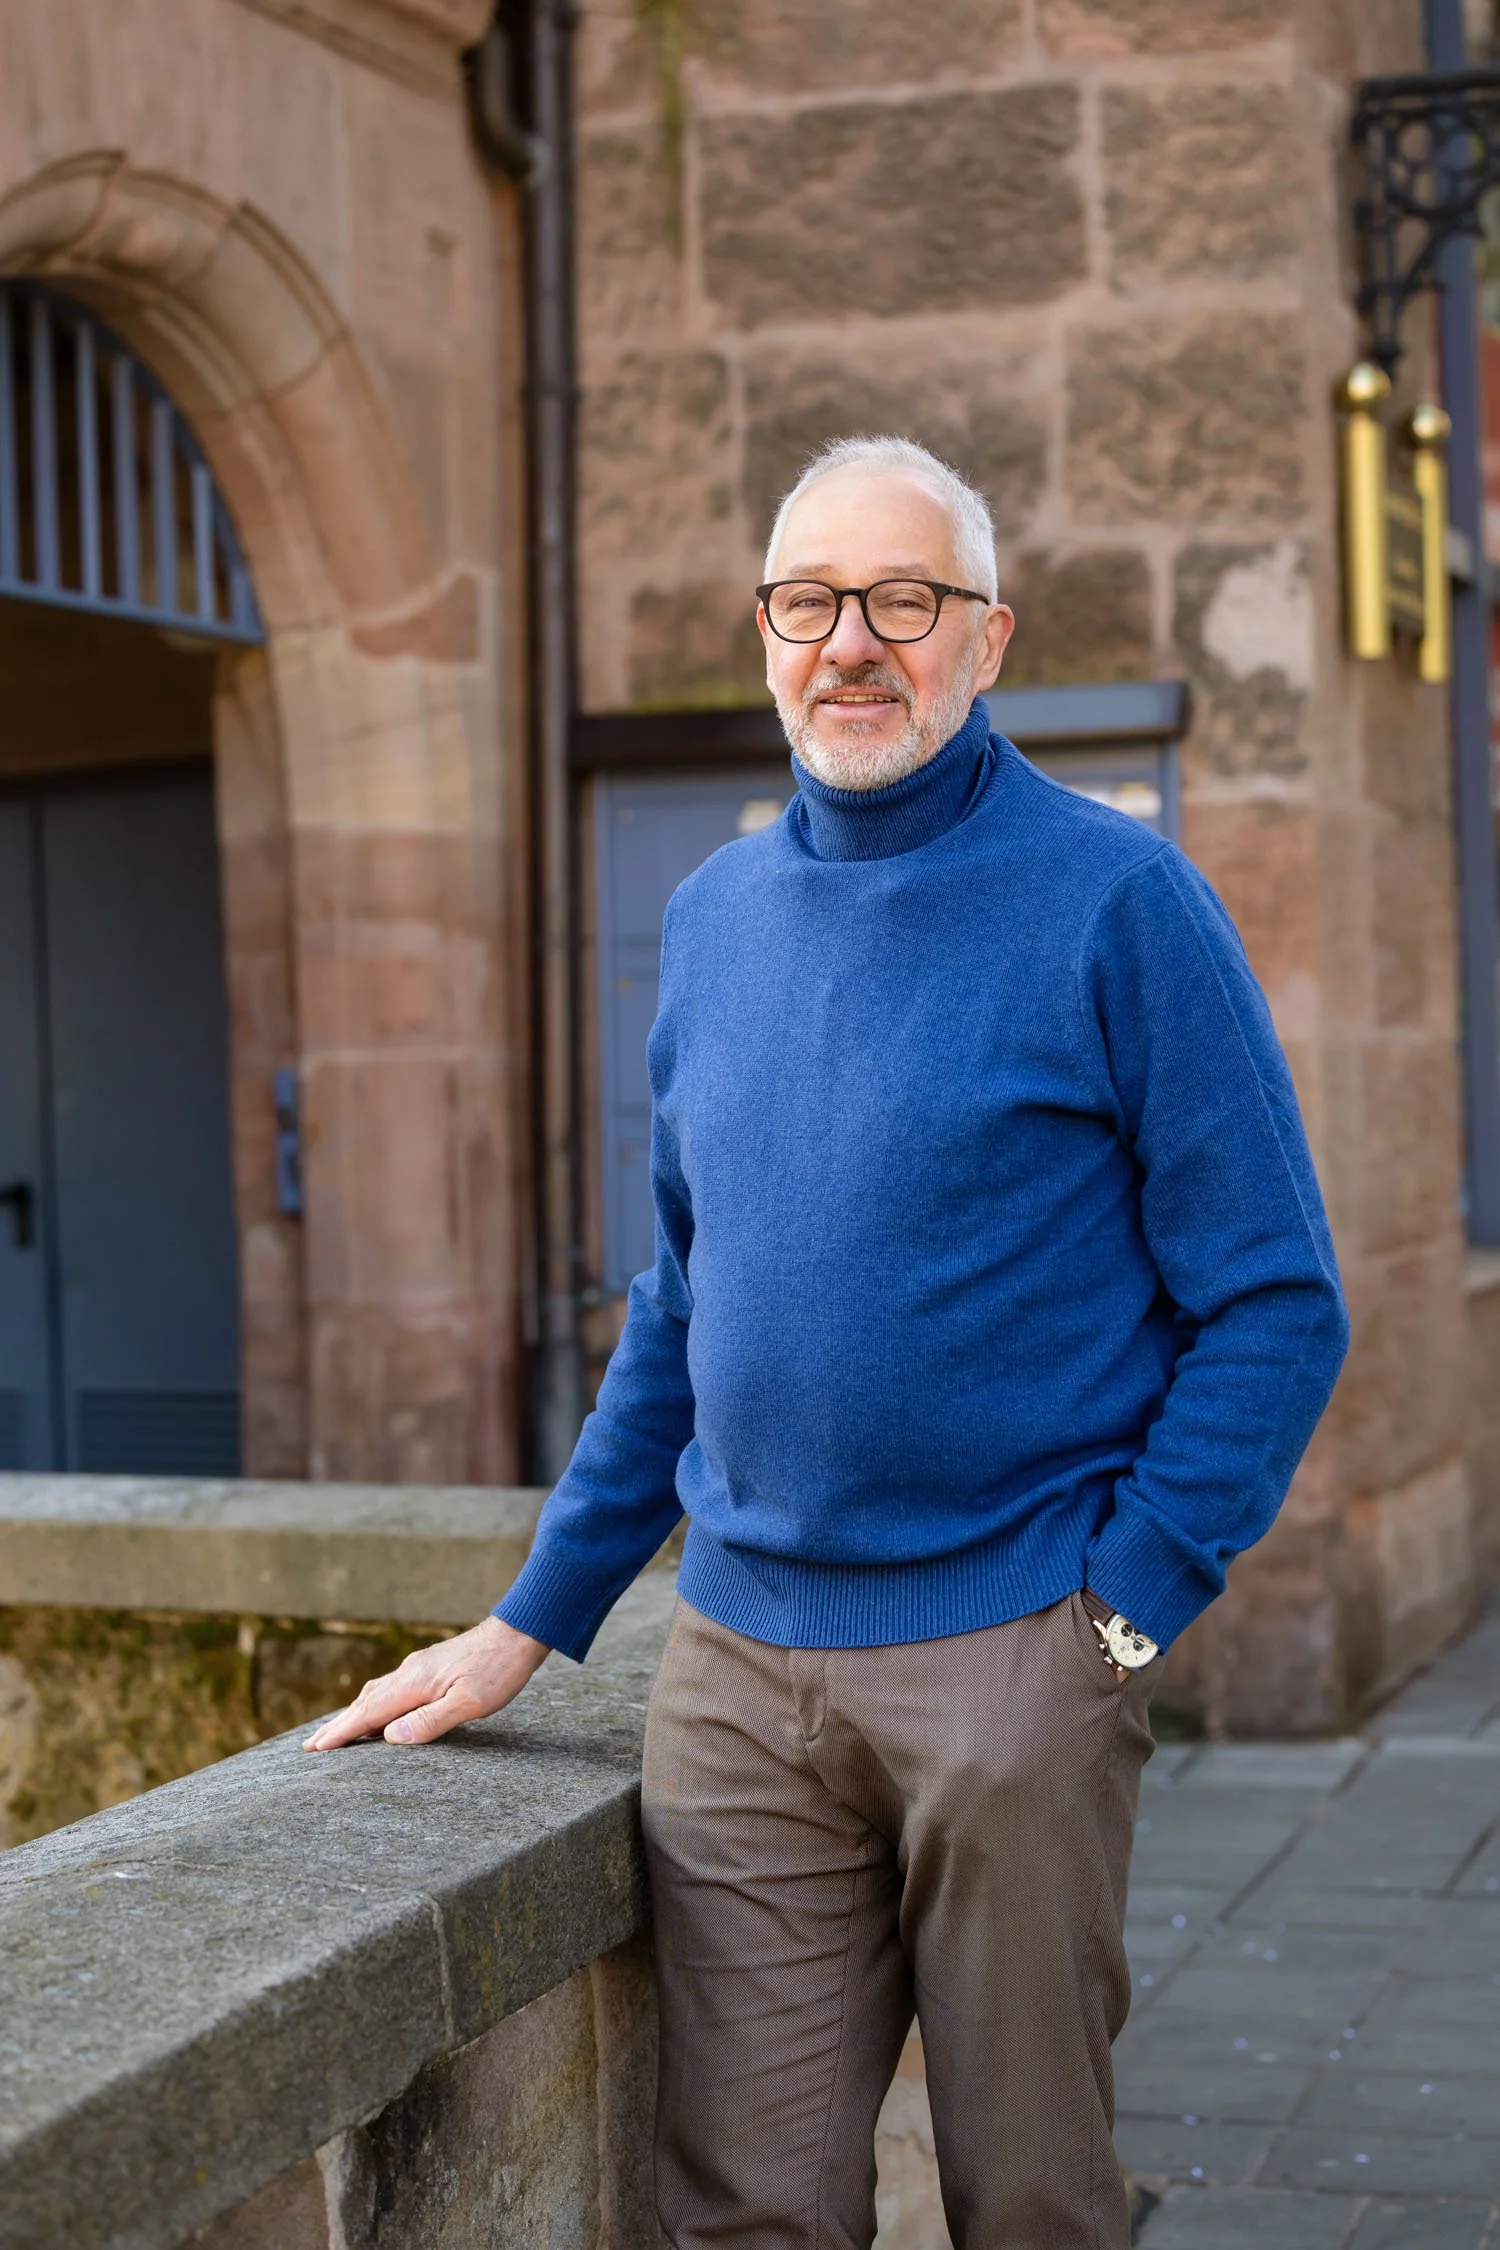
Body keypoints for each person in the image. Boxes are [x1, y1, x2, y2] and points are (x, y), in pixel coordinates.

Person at [307, 436, 1349, 2249]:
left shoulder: (1121, 903)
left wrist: (1120, 1613)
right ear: (768, 633)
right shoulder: (711, 918)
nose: (850, 642)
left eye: (902, 600)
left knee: (1031, 2201)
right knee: (749, 2213)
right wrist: (531, 1617)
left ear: (988, 637)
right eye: (808, 602)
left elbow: (1277, 1298)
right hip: (734, 1680)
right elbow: (683, 1304)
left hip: (1013, 1662)